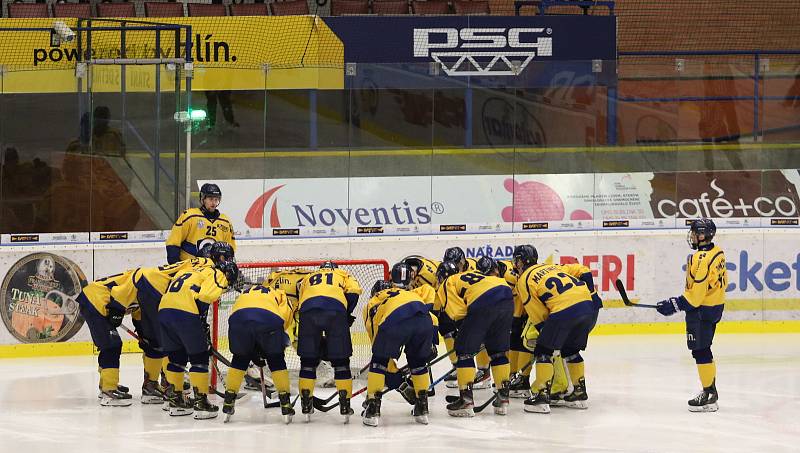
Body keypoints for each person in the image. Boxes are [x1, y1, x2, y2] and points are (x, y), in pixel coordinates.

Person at [512, 245, 601, 414]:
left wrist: (545, 337)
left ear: (521, 261)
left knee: (543, 351)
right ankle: (579, 393)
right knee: (571, 350)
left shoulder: (524, 280)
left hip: (563, 309)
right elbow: (581, 271)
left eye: (516, 260)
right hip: (587, 306)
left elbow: (538, 313)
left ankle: (541, 396)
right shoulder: (551, 266)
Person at [158, 244, 238, 419]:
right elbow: (206, 296)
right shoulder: (215, 272)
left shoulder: (189, 265)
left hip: (164, 309)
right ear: (221, 259)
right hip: (185, 311)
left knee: (176, 358)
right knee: (199, 357)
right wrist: (200, 318)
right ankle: (201, 403)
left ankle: (175, 400)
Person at [655, 218, 727, 412]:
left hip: (701, 311)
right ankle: (710, 391)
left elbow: (694, 298)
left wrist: (673, 305)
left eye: (695, 233)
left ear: (702, 235)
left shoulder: (700, 260)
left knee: (700, 351)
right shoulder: (717, 251)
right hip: (715, 307)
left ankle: (709, 394)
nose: (692, 236)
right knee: (705, 349)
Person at [436, 260, 514, 417]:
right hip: (505, 293)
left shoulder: (447, 283)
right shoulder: (475, 275)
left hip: (483, 300)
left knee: (464, 351)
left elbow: (457, 313)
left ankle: (465, 400)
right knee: (498, 351)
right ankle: (503, 396)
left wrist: (470, 336)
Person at [362, 263, 435, 427]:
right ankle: (422, 408)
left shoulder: (374, 301)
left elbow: (375, 335)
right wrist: (430, 344)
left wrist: (382, 361)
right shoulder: (414, 293)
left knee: (378, 362)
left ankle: (373, 408)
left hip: (396, 319)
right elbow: (431, 319)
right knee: (418, 363)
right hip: (425, 320)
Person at [296, 261, 362, 423]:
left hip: (308, 311)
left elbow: (301, 295)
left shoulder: (308, 277)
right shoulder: (342, 274)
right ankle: (345, 405)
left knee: (307, 361)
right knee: (341, 362)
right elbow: (353, 292)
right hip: (335, 310)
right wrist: (346, 314)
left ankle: (306, 403)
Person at [222, 283, 295, 423]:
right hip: (268, 320)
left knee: (239, 358)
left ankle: (228, 401)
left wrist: (253, 349)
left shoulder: (245, 292)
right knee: (276, 359)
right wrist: (273, 344)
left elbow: (238, 314)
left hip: (238, 320)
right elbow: (285, 318)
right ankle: (285, 403)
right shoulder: (279, 293)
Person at [75, 270, 138, 406]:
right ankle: (108, 390)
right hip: (96, 302)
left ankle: (106, 385)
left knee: (109, 344)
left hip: (93, 299)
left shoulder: (140, 278)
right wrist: (116, 312)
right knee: (112, 345)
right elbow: (120, 298)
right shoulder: (140, 285)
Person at [165, 183, 236, 264]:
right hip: (189, 267)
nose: (213, 202)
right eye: (210, 199)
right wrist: (175, 264)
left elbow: (230, 249)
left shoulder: (225, 222)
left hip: (212, 269)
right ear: (203, 199)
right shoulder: (190, 216)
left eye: (216, 199)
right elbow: (173, 242)